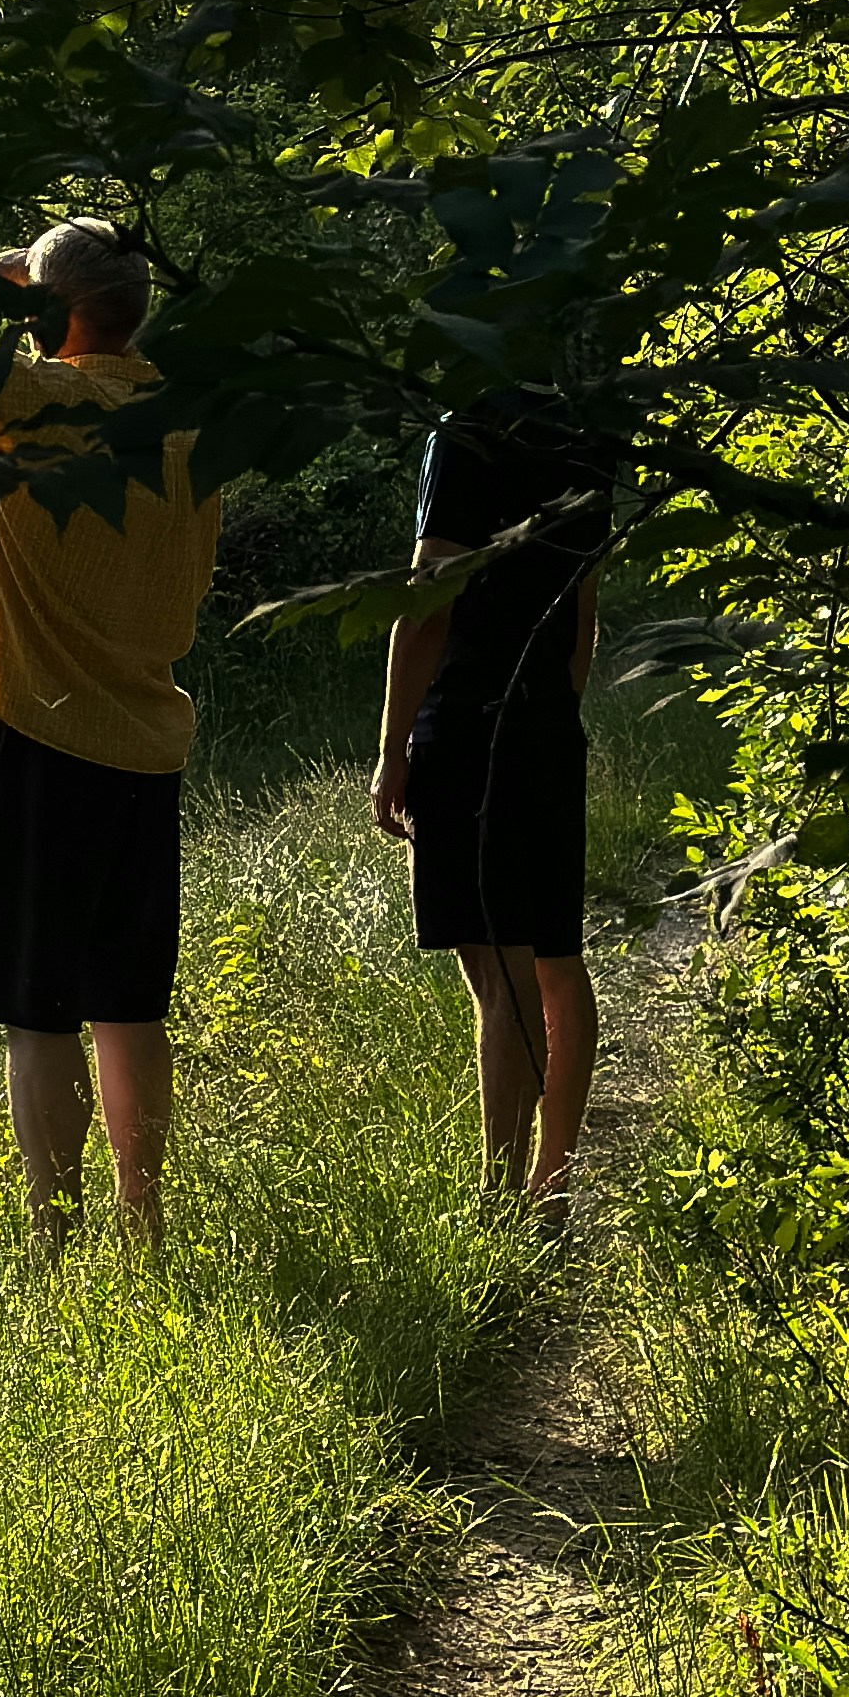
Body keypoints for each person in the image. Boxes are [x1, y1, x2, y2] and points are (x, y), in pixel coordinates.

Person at [0, 218, 220, 1254]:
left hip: (40, 741)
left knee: (40, 1010)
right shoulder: (187, 420)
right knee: (129, 1003)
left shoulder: (36, 407)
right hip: (147, 744)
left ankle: (51, 1236)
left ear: (49, 307)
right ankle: (143, 1229)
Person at [370, 402, 619, 1220]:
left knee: (500, 971)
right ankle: (552, 1187)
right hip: (546, 716)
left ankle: (501, 1200)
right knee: (551, 953)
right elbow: (582, 605)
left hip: (473, 719)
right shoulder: (589, 426)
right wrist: (558, 710)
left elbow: (431, 594)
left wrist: (393, 744)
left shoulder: (467, 429)